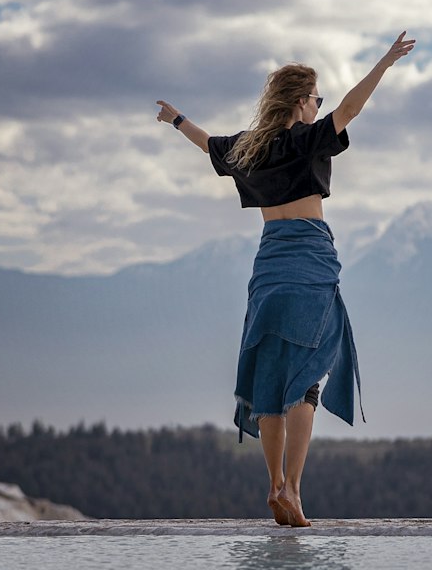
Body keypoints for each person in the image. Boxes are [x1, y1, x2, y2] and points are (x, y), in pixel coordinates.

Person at [156, 30, 416, 527]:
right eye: (316, 99)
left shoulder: (248, 149)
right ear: (301, 102)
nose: (321, 107)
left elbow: (206, 142)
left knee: (270, 378)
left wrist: (175, 118)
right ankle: (294, 490)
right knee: (307, 378)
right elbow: (354, 107)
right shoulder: (307, 138)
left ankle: (273, 483)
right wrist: (384, 63)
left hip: (268, 268)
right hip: (310, 262)